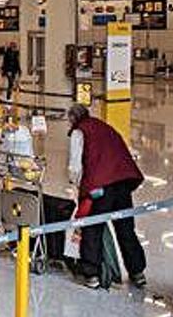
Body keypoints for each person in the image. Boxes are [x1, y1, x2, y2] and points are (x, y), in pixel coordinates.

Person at [66, 104, 147, 289]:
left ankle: (92, 274)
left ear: (73, 119)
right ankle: (137, 272)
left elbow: (75, 166)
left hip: (100, 186)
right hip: (123, 182)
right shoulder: (104, 126)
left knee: (92, 228)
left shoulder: (80, 132)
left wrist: (77, 184)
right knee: (125, 228)